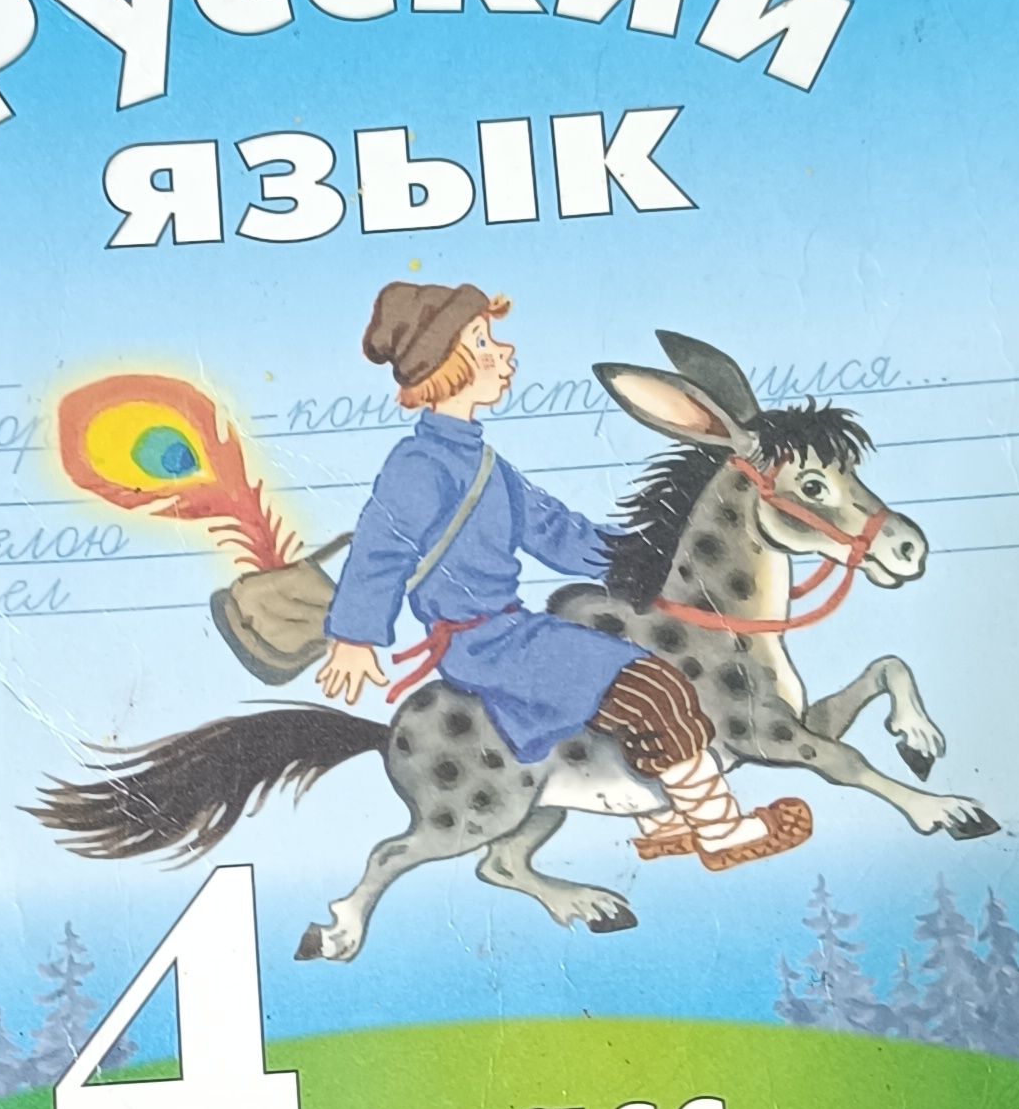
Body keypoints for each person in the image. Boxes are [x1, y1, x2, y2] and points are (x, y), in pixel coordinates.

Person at [316, 281, 809, 869]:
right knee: (653, 690)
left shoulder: (484, 463)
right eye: (482, 342)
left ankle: (667, 821)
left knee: (647, 677)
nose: (504, 353)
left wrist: (646, 556)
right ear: (444, 363)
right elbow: (381, 547)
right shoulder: (418, 465)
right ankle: (722, 832)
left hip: (514, 631)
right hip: (483, 644)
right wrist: (355, 634)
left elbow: (555, 530)